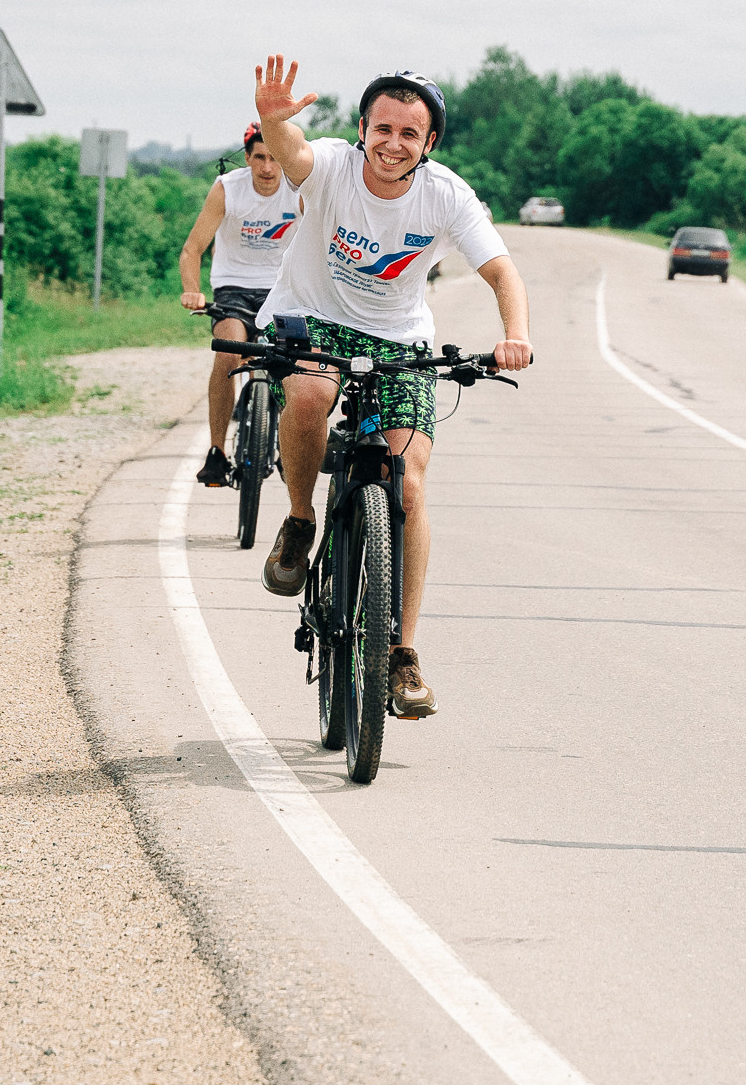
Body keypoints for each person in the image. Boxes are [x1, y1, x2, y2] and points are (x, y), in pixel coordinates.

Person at [247, 57, 532, 719]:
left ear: (428, 143)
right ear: (362, 128)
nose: (393, 142)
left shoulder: (446, 195)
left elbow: (501, 270)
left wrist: (515, 333)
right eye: (383, 127)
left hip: (400, 340)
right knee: (311, 395)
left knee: (406, 484)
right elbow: (291, 151)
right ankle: (298, 519)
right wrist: (273, 117)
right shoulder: (333, 166)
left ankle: (402, 652)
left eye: (410, 132)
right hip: (313, 317)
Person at [176, 127, 299, 486]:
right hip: (234, 287)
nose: (267, 166)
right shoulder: (228, 188)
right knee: (227, 353)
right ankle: (217, 452)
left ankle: (290, 446)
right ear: (247, 159)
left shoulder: (299, 189)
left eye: (275, 157)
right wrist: (191, 290)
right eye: (260, 157)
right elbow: (192, 249)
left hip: (284, 288)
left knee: (297, 365)